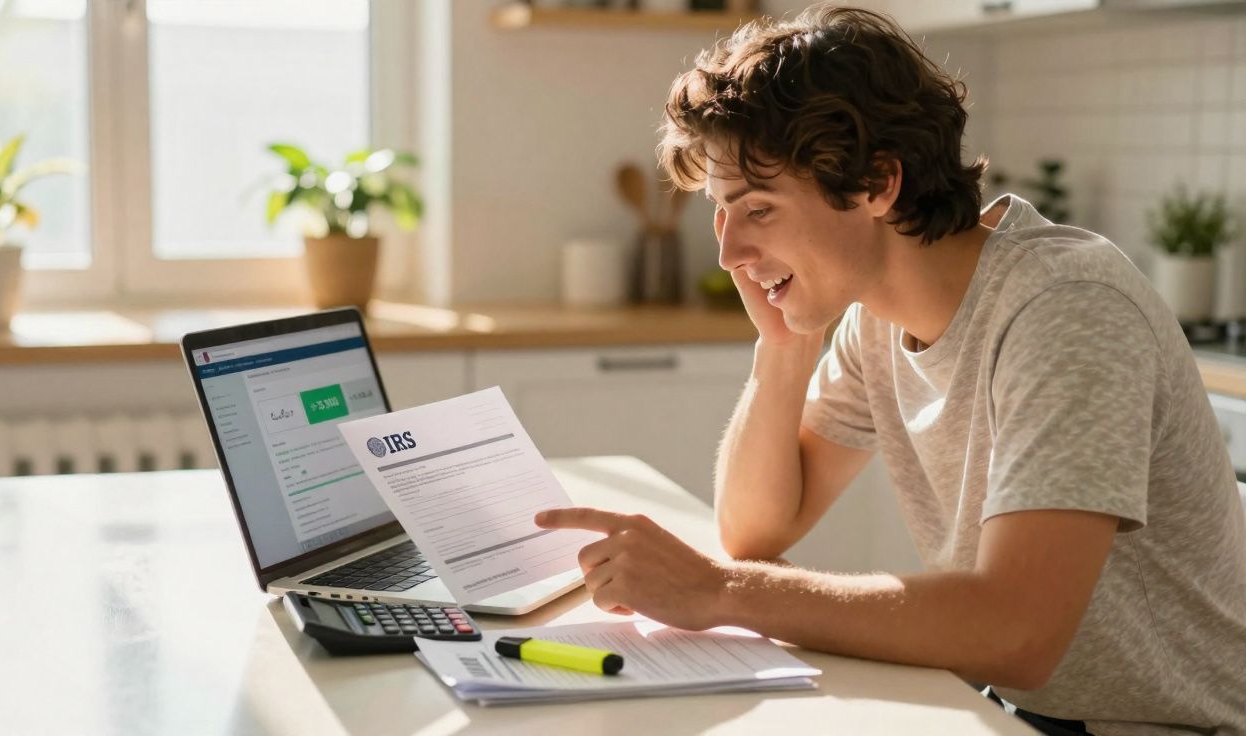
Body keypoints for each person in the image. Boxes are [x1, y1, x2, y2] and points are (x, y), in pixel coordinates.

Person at [534, 7, 1246, 735]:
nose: (727, 254)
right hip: (1028, 712)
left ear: (876, 183)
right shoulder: (879, 315)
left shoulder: (1066, 308)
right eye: (721, 211)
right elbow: (756, 527)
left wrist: (718, 590)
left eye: (758, 208)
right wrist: (783, 348)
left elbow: (1016, 632)